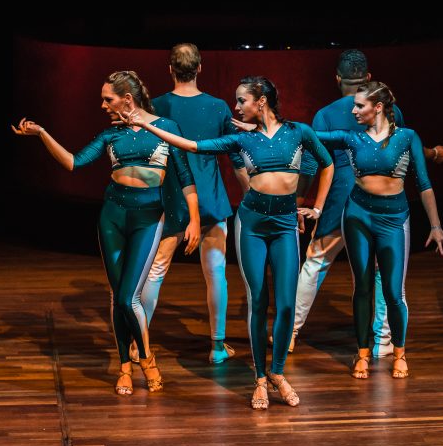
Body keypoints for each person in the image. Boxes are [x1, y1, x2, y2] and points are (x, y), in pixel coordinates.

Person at [118, 76, 334, 410]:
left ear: (260, 101)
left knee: (287, 303)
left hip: (285, 224)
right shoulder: (240, 140)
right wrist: (147, 125)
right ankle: (261, 379)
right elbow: (192, 146)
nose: (235, 107)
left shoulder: (299, 132)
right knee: (258, 300)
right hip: (252, 225)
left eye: (241, 101)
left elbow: (328, 162)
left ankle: (278, 373)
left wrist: (317, 207)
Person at [11, 70, 199, 395]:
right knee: (117, 298)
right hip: (113, 216)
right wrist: (42, 133)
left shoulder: (167, 129)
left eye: (107, 98)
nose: (102, 105)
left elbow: (185, 177)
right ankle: (124, 367)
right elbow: (72, 162)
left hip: (148, 217)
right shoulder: (110, 136)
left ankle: (147, 360)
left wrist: (194, 220)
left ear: (128, 99)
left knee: (129, 298)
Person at [293, 49, 443, 358]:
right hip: (381, 204)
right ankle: (382, 339)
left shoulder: (325, 114)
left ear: (337, 79)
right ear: (366, 78)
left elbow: (310, 165)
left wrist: (298, 203)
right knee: (381, 271)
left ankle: (290, 332)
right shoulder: (390, 110)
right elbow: (406, 149)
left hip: (341, 201)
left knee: (315, 263)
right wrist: (435, 154)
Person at [134, 43, 249, 365]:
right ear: (200, 68)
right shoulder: (217, 107)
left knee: (155, 273)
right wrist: (249, 192)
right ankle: (216, 346)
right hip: (211, 199)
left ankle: (137, 344)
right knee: (216, 274)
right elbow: (236, 156)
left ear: (170, 69)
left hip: (171, 199)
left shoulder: (154, 106)